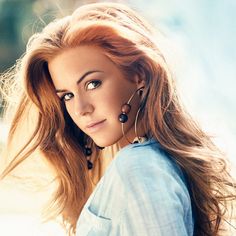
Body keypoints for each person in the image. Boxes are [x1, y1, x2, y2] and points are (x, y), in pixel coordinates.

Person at [1, 2, 236, 236]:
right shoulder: (151, 162)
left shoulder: (138, 169)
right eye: (68, 96)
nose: (81, 108)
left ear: (139, 75)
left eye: (92, 84)